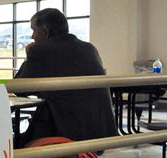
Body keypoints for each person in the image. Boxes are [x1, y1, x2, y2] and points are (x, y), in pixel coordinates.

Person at [15, 8, 118, 145]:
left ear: (45, 31)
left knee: (16, 147)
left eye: (34, 30)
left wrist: (28, 57)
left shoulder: (40, 50)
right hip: (100, 129)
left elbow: (20, 88)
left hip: (64, 132)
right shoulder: (89, 48)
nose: (32, 36)